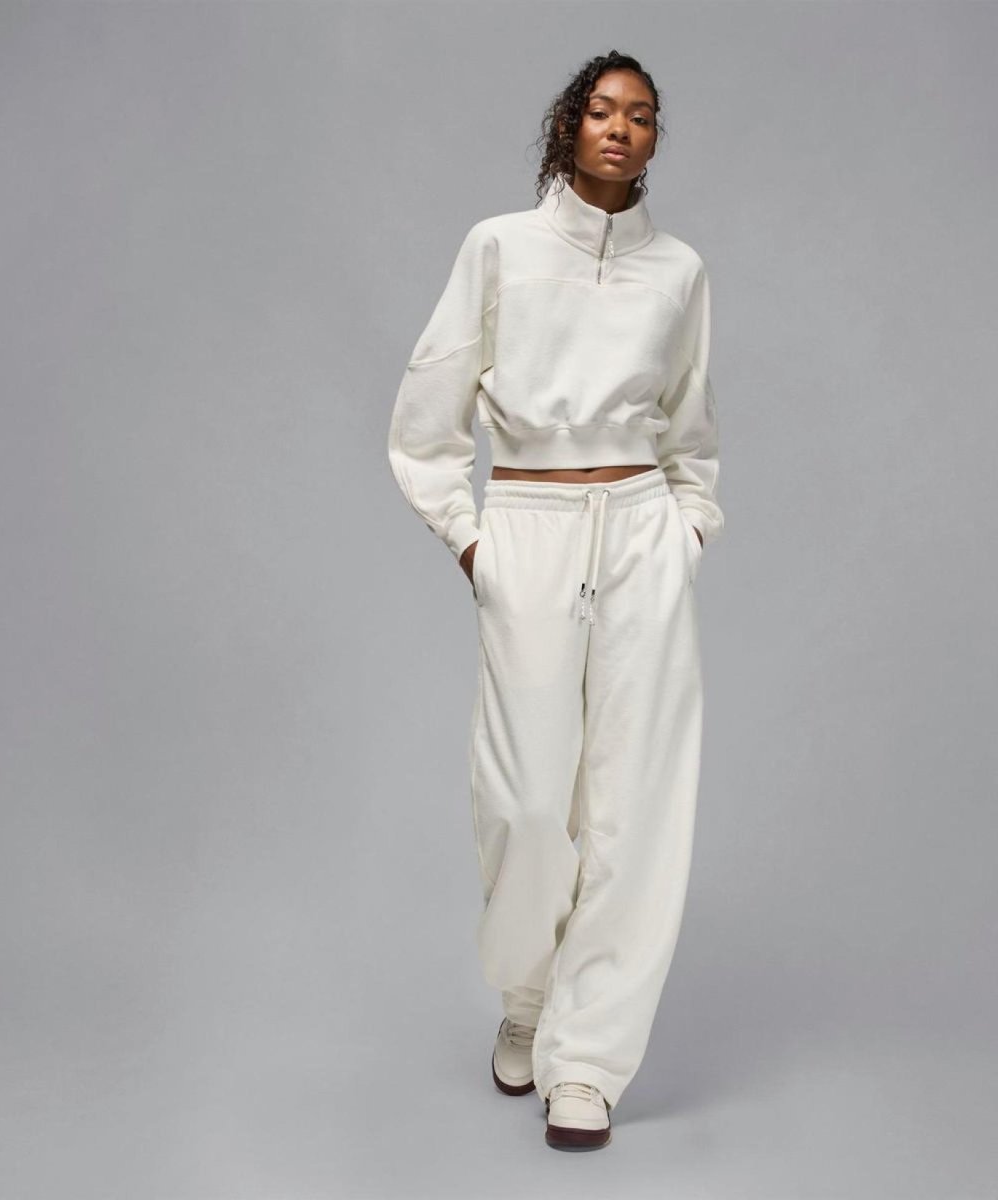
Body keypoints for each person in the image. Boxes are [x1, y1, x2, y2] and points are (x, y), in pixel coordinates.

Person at [387, 50, 724, 1151]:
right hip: (529, 525)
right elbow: (428, 417)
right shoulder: (500, 248)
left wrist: (686, 530)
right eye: (602, 110)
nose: (620, 128)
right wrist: (472, 541)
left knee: (635, 804)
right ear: (570, 124)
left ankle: (586, 1062)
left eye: (642, 116)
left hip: (640, 531)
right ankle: (528, 996)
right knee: (531, 802)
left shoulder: (679, 270)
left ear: (656, 140)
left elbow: (691, 427)